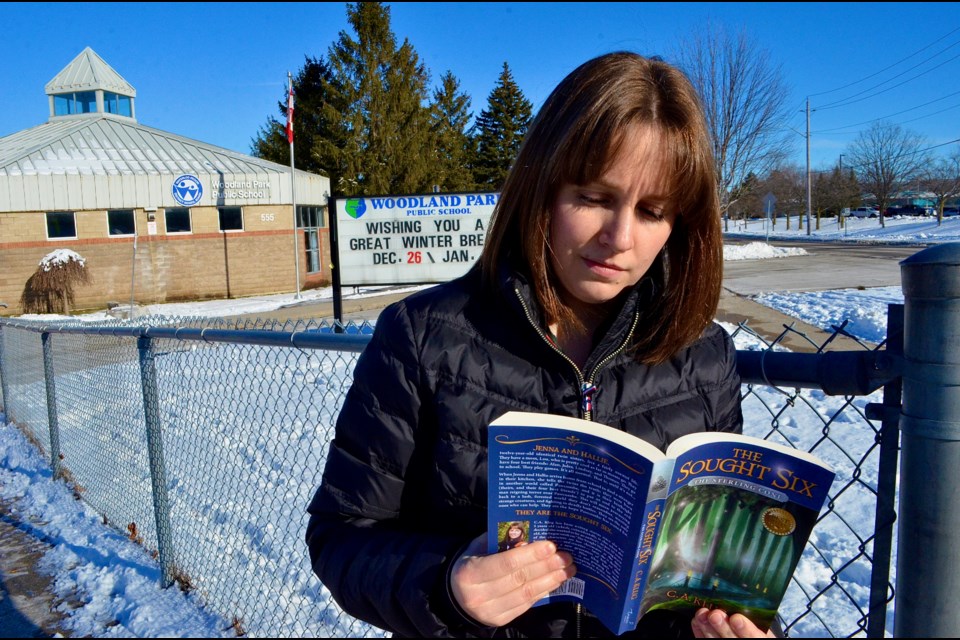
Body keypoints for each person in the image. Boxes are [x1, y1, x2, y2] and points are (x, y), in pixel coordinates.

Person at [306, 51, 775, 638]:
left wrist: (735, 623)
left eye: (652, 211)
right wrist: (448, 585)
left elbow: (710, 569)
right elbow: (343, 534)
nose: (620, 238)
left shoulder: (703, 356)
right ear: (542, 188)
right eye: (596, 198)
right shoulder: (423, 336)